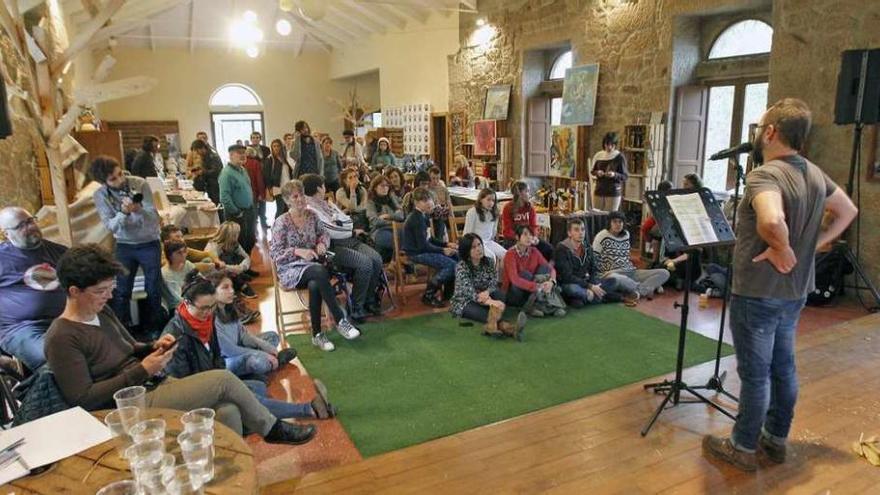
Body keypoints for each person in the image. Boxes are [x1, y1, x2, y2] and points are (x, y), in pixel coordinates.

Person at [702, 98, 857, 471]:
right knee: (783, 367)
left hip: (758, 293)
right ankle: (775, 440)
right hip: (795, 292)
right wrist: (815, 245)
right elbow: (848, 211)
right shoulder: (817, 174)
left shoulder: (764, 175)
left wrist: (783, 247)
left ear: (770, 132)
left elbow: (771, 221)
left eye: (760, 126)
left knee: (755, 374)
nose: (758, 132)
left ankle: (742, 447)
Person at [44, 244, 316, 444]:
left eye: (110, 288)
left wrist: (153, 346)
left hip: (149, 384)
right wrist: (143, 370)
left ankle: (227, 481)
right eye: (101, 291)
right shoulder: (61, 337)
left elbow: (130, 349)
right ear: (74, 291)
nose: (110, 295)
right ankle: (273, 430)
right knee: (224, 381)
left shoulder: (101, 312)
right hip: (127, 406)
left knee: (229, 411)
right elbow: (83, 399)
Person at [161, 273, 335, 421]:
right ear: (187, 303)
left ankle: (252, 413)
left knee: (258, 387)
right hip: (195, 394)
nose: (208, 312)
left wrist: (223, 380)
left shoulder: (205, 321)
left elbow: (219, 358)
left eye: (211, 307)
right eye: (204, 308)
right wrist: (221, 386)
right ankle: (309, 409)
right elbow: (181, 385)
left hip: (214, 379)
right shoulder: (175, 336)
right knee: (249, 396)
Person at [270, 180, 362, 352]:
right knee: (319, 272)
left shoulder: (312, 216)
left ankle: (317, 335)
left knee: (315, 283)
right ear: (287, 201)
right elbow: (275, 254)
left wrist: (322, 244)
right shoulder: (281, 222)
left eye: (301, 194)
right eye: (295, 196)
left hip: (313, 267)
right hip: (291, 268)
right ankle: (341, 320)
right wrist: (298, 251)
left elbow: (324, 234)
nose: (300, 199)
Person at [91, 156, 164, 334]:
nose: (120, 180)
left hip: (149, 242)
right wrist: (124, 213)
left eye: (120, 174)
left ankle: (153, 328)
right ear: (104, 182)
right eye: (113, 179)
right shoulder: (100, 195)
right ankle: (122, 330)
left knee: (153, 288)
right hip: (124, 244)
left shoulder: (139, 184)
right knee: (122, 289)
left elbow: (154, 218)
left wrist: (138, 210)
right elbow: (110, 225)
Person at [302, 174, 384, 321]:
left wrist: (343, 226)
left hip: (348, 240)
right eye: (323, 185)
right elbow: (331, 231)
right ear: (319, 188)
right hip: (330, 249)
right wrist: (344, 227)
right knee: (364, 263)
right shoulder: (310, 209)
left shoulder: (326, 204)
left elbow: (347, 221)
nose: (325, 188)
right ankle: (356, 307)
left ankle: (369, 299)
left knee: (376, 259)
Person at [0, 207, 67, 371]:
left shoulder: (60, 252)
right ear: (6, 234)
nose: (29, 227)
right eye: (20, 226)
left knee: (106, 346)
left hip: (66, 319)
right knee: (59, 358)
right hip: (23, 328)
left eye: (30, 221)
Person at [202, 270, 296, 379]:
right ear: (212, 292)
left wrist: (265, 347)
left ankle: (259, 369)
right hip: (225, 361)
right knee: (258, 362)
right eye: (225, 287)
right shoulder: (211, 318)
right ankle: (273, 363)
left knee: (272, 336)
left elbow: (244, 335)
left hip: (239, 348)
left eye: (231, 287)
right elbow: (230, 351)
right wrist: (262, 354)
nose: (232, 291)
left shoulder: (229, 308)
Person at [451, 233, 526, 340]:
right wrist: (489, 302)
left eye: (479, 245)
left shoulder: (489, 262)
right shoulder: (461, 267)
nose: (478, 249)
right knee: (486, 312)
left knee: (501, 296)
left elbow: (493, 282)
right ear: (467, 251)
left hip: (485, 295)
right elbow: (468, 291)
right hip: (465, 301)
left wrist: (487, 293)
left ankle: (491, 327)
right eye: (473, 247)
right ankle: (511, 329)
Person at [554, 218, 635, 308]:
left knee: (613, 281)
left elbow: (593, 269)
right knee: (572, 289)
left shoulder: (587, 247)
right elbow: (567, 277)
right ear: (569, 233)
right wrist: (590, 286)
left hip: (585, 282)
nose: (581, 233)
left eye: (583, 229)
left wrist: (593, 284)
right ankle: (615, 297)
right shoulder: (562, 249)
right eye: (576, 230)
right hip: (569, 283)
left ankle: (583, 298)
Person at [401, 187, 458, 308]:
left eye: (429, 199)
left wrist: (446, 244)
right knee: (451, 265)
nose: (428, 203)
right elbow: (423, 246)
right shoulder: (416, 218)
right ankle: (428, 295)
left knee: (456, 256)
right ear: (416, 203)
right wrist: (443, 250)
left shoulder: (423, 216)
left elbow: (429, 239)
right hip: (416, 253)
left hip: (423, 249)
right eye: (424, 200)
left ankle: (448, 293)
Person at [593, 211, 669, 298]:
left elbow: (625, 257)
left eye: (620, 222)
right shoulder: (602, 236)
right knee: (617, 278)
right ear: (609, 223)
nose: (618, 224)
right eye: (614, 222)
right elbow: (594, 258)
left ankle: (639, 290)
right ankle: (647, 287)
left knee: (664, 273)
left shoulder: (626, 234)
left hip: (631, 272)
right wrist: (603, 274)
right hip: (611, 273)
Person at [502, 225, 563, 317]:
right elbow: (515, 280)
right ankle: (545, 305)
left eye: (530, 235)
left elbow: (551, 269)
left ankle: (537, 305)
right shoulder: (510, 254)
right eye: (525, 234)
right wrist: (537, 286)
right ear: (517, 237)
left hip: (533, 287)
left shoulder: (534, 251)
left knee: (545, 269)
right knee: (525, 274)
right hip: (514, 292)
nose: (529, 237)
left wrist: (552, 281)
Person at [219, 144, 257, 256]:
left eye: (243, 153)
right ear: (231, 155)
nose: (242, 155)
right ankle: (239, 271)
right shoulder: (226, 173)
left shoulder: (242, 169)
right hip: (237, 214)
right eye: (239, 153)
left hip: (249, 210)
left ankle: (246, 266)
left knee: (250, 240)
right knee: (239, 243)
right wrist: (237, 212)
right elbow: (224, 197)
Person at [501, 181, 553, 261]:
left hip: (528, 237)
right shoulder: (508, 208)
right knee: (527, 253)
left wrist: (534, 236)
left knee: (548, 248)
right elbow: (507, 230)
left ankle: (545, 270)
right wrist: (520, 238)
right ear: (520, 193)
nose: (529, 194)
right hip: (512, 239)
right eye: (527, 191)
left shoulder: (530, 208)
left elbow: (533, 226)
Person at [204, 221, 258, 299]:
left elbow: (246, 257)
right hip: (215, 274)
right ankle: (242, 285)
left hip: (230, 269)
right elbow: (215, 267)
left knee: (237, 257)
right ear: (231, 235)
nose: (239, 235)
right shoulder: (213, 246)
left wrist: (241, 267)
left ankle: (238, 279)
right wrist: (235, 269)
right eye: (237, 233)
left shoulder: (234, 243)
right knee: (226, 257)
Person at [365, 175, 405, 262]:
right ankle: (397, 264)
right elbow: (375, 221)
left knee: (406, 235)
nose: (385, 188)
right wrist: (393, 222)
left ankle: (396, 264)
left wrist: (388, 216)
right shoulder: (371, 202)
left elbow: (401, 215)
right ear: (375, 188)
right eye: (382, 186)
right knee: (398, 241)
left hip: (395, 228)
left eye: (387, 186)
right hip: (378, 231)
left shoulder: (391, 199)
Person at [463, 188, 507, 265]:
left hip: (488, 241)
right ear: (481, 200)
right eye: (488, 200)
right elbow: (467, 233)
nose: (491, 203)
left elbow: (493, 232)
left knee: (506, 255)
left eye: (493, 200)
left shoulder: (494, 213)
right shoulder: (473, 212)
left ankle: (499, 276)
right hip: (474, 243)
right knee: (491, 256)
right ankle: (488, 276)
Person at [590, 132, 628, 212]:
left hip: (612, 192)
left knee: (609, 216)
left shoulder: (619, 157)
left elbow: (625, 176)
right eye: (607, 145)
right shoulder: (599, 155)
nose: (609, 147)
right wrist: (597, 172)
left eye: (612, 145)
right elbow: (592, 171)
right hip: (599, 190)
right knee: (597, 215)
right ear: (604, 144)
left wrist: (614, 174)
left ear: (615, 145)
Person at [640, 180, 673, 266]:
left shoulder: (671, 198)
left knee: (654, 233)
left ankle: (655, 259)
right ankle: (653, 256)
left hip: (666, 219)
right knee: (645, 228)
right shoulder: (657, 197)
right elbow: (653, 211)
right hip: (657, 217)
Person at [189, 139, 223, 211]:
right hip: (209, 185)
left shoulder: (213, 156)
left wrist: (202, 172)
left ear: (202, 148)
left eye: (198, 151)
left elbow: (217, 171)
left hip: (216, 184)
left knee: (217, 206)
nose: (198, 153)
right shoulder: (205, 156)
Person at [264, 138, 295, 218]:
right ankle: (277, 227)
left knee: (288, 208)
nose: (276, 148)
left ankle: (286, 226)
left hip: (288, 186)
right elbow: (266, 175)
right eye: (274, 146)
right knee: (280, 209)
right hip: (278, 187)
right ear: (272, 147)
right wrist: (269, 187)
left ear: (281, 147)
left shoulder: (285, 158)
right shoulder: (270, 159)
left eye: (278, 146)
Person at [243, 146, 268, 230]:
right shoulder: (256, 163)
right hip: (257, 190)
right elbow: (259, 178)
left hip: (248, 192)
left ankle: (254, 229)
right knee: (262, 208)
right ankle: (263, 224)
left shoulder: (242, 163)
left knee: (253, 211)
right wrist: (262, 193)